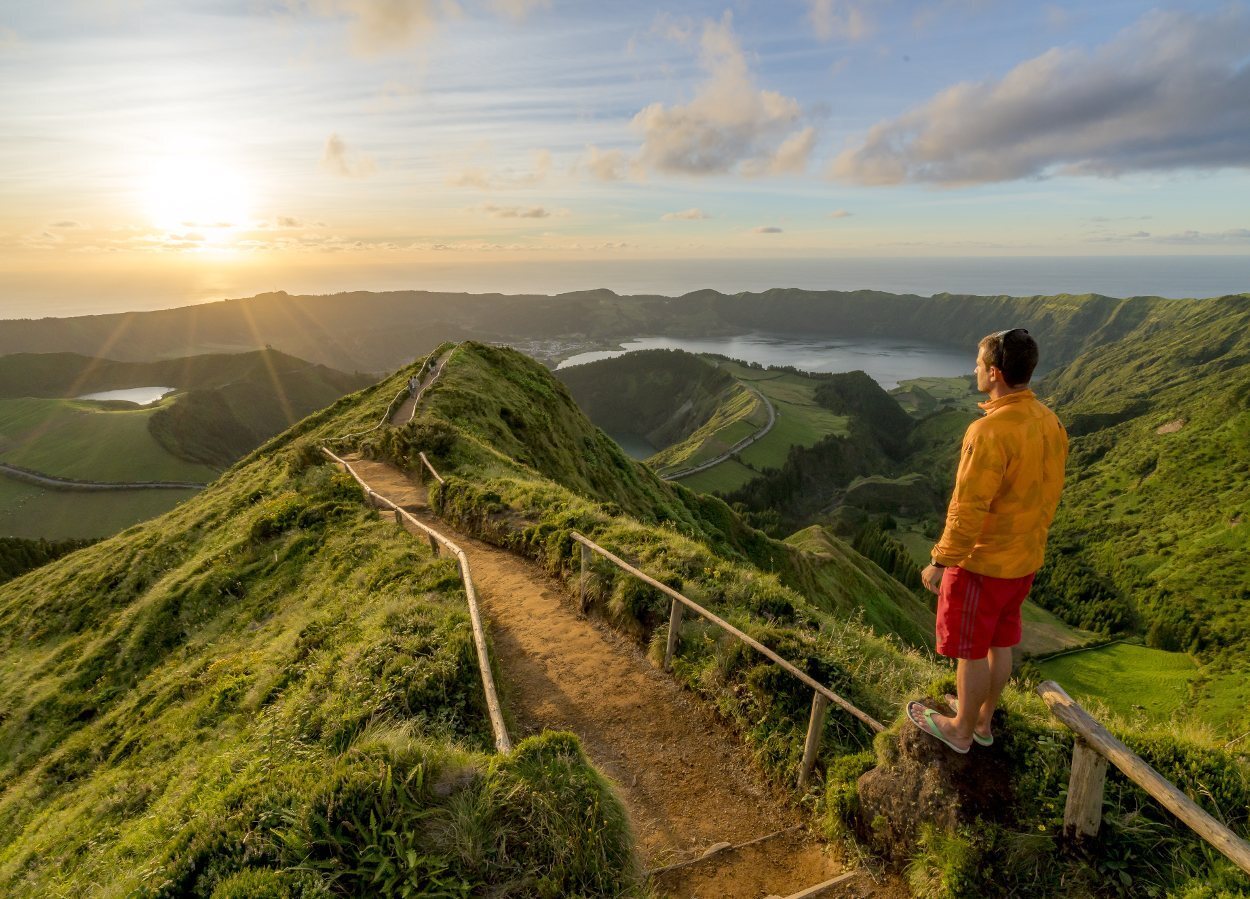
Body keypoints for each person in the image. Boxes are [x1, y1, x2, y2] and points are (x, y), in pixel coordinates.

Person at [907, 328, 1068, 753]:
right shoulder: (1049, 422)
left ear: (994, 373)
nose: (973, 369)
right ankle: (982, 719)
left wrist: (941, 562)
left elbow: (967, 507)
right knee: (1001, 642)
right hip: (1025, 559)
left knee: (971, 651)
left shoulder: (989, 432)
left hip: (983, 563)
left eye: (978, 364)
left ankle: (961, 730)